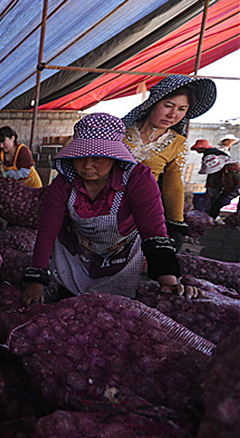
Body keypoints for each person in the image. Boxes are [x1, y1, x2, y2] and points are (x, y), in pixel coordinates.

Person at [22, 113, 199, 306]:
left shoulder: (138, 179)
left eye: (98, 158)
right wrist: (37, 278)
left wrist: (168, 280)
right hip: (76, 250)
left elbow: (153, 231)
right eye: (80, 156)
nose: (88, 165)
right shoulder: (64, 183)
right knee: (69, 304)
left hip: (122, 251)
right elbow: (48, 231)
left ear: (114, 156)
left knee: (114, 308)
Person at [122, 74, 216, 249]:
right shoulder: (119, 132)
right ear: (152, 104)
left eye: (182, 109)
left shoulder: (177, 143)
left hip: (139, 212)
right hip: (99, 206)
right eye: (168, 106)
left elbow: (174, 186)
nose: (173, 115)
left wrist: (175, 225)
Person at [199, 148, 240, 219]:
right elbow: (212, 186)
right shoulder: (213, 174)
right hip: (228, 188)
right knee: (215, 205)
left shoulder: (234, 168)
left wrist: (230, 196)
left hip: (235, 187)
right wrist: (209, 199)